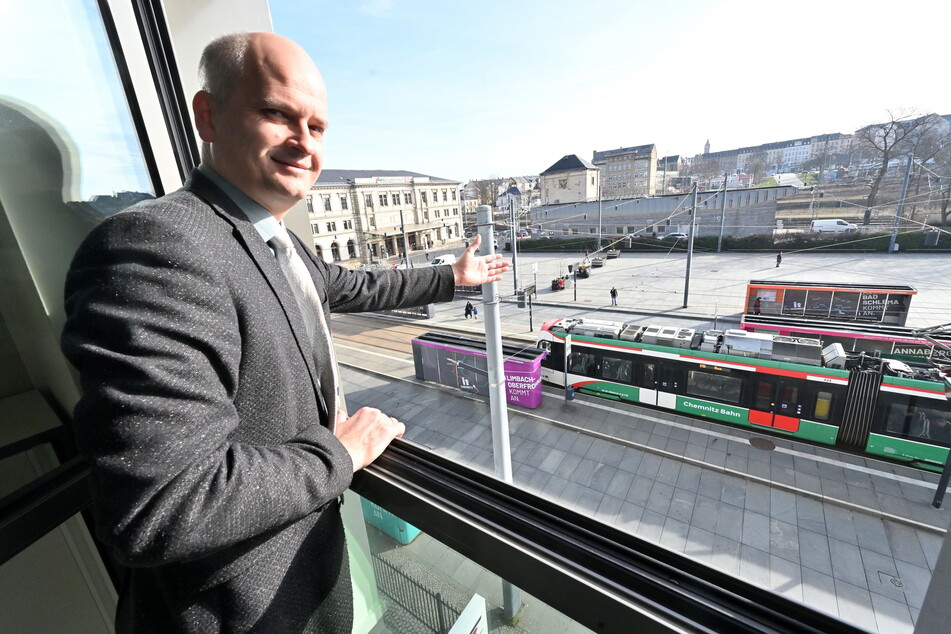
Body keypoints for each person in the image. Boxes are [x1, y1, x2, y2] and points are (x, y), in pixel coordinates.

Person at [60, 32, 508, 633]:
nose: (303, 143)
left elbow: (352, 287)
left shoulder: (272, 239)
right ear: (207, 115)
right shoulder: (154, 247)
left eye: (317, 127)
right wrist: (341, 452)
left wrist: (452, 277)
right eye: (276, 113)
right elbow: (161, 503)